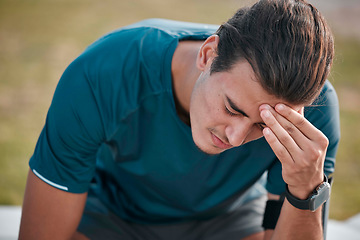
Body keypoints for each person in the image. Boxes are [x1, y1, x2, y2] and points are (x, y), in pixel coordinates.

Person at [19, 0, 340, 239]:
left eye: (264, 126)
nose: (236, 138)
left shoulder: (314, 113)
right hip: (111, 215)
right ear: (207, 54)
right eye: (233, 108)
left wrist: (306, 189)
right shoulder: (105, 71)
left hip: (230, 221)